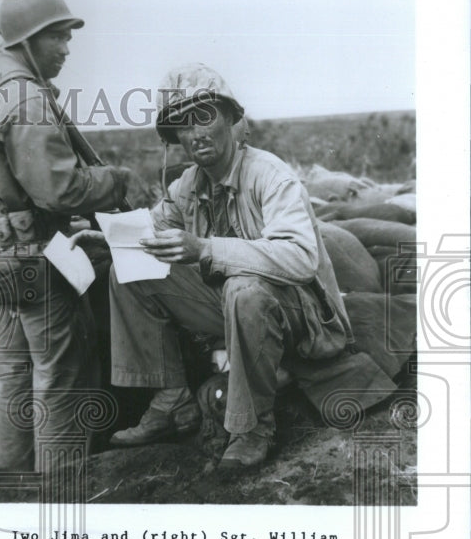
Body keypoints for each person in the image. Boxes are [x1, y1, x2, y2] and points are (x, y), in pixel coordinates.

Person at [77, 64, 396, 471]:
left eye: (205, 117)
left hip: (306, 318)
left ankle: (251, 429)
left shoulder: (270, 176)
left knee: (243, 287)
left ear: (230, 118)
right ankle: (171, 400)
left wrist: (207, 248)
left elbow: (300, 258)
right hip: (239, 308)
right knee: (130, 270)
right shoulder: (188, 185)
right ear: (175, 137)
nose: (197, 133)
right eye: (183, 125)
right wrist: (107, 240)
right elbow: (153, 229)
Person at [0, 0, 134, 474]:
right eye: (59, 38)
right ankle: (58, 492)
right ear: (30, 39)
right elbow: (59, 192)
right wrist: (115, 181)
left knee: (15, 377)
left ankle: (10, 485)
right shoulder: (26, 98)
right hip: (34, 257)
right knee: (60, 378)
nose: (66, 50)